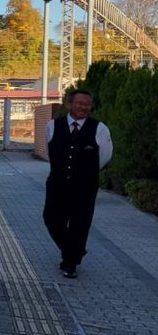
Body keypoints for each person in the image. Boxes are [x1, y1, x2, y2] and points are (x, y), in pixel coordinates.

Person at [43, 89, 112, 278]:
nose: (83, 107)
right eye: (79, 103)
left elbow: (105, 156)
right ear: (69, 104)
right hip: (57, 183)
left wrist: (86, 172)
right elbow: (50, 151)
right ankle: (74, 251)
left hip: (85, 186)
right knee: (52, 219)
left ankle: (70, 263)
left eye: (87, 104)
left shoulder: (99, 128)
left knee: (79, 223)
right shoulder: (52, 126)